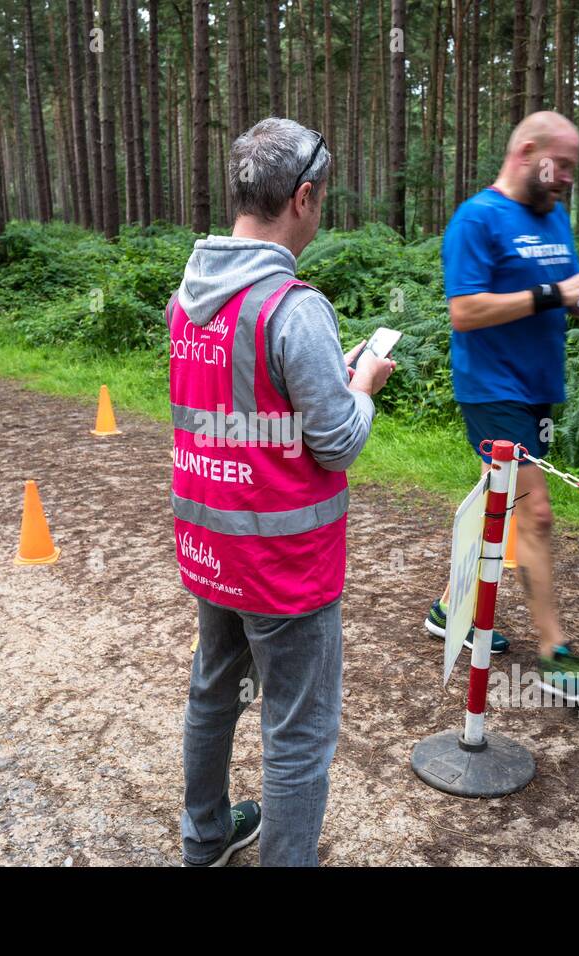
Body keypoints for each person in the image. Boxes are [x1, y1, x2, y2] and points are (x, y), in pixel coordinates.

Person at [170, 118, 394, 867]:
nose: (321, 211)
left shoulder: (187, 296)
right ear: (301, 197)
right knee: (297, 734)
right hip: (284, 567)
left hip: (211, 549)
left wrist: (331, 380)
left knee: (214, 691)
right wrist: (361, 385)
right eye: (322, 199)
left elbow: (248, 411)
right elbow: (338, 441)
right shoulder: (294, 307)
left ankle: (204, 837)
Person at [425, 110, 579, 701]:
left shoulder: (554, 215)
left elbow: (563, 297)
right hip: (492, 387)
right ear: (526, 151)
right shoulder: (477, 219)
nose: (568, 177)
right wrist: (556, 293)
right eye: (561, 165)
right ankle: (555, 653)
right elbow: (464, 311)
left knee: (501, 505)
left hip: (541, 387)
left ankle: (449, 610)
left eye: (574, 166)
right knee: (535, 512)